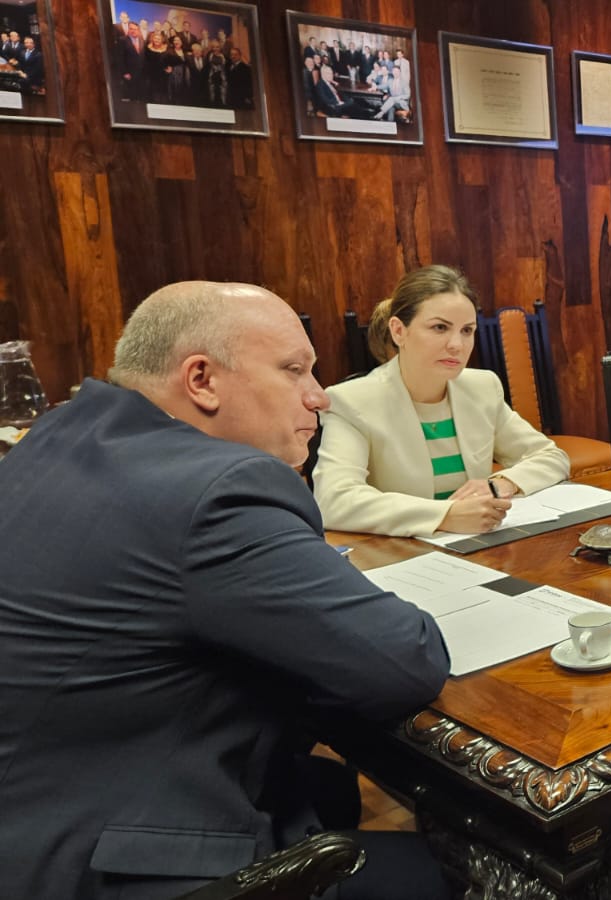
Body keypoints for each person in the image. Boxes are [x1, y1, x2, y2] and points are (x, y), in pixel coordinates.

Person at [0, 282, 453, 900]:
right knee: (462, 871)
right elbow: (405, 660)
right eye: (293, 370)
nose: (319, 396)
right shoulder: (219, 488)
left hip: (42, 800)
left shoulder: (59, 430)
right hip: (99, 860)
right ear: (202, 380)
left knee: (328, 789)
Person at [314, 265, 571, 537]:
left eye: (467, 330)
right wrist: (446, 515)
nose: (456, 345)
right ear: (399, 331)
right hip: (402, 551)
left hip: (479, 544)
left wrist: (500, 483)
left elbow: (552, 457)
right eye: (440, 327)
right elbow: (333, 500)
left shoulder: (482, 387)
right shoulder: (352, 401)